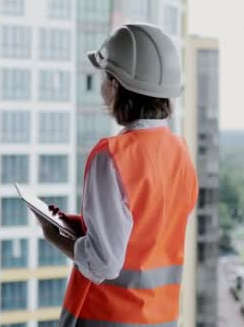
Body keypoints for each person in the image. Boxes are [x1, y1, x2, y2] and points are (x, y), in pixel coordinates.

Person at [34, 24, 199, 327]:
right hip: (161, 319)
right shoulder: (180, 153)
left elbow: (103, 264)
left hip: (109, 319)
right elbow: (148, 232)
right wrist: (87, 228)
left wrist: (54, 237)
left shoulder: (112, 156)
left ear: (116, 84)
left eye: (104, 77)